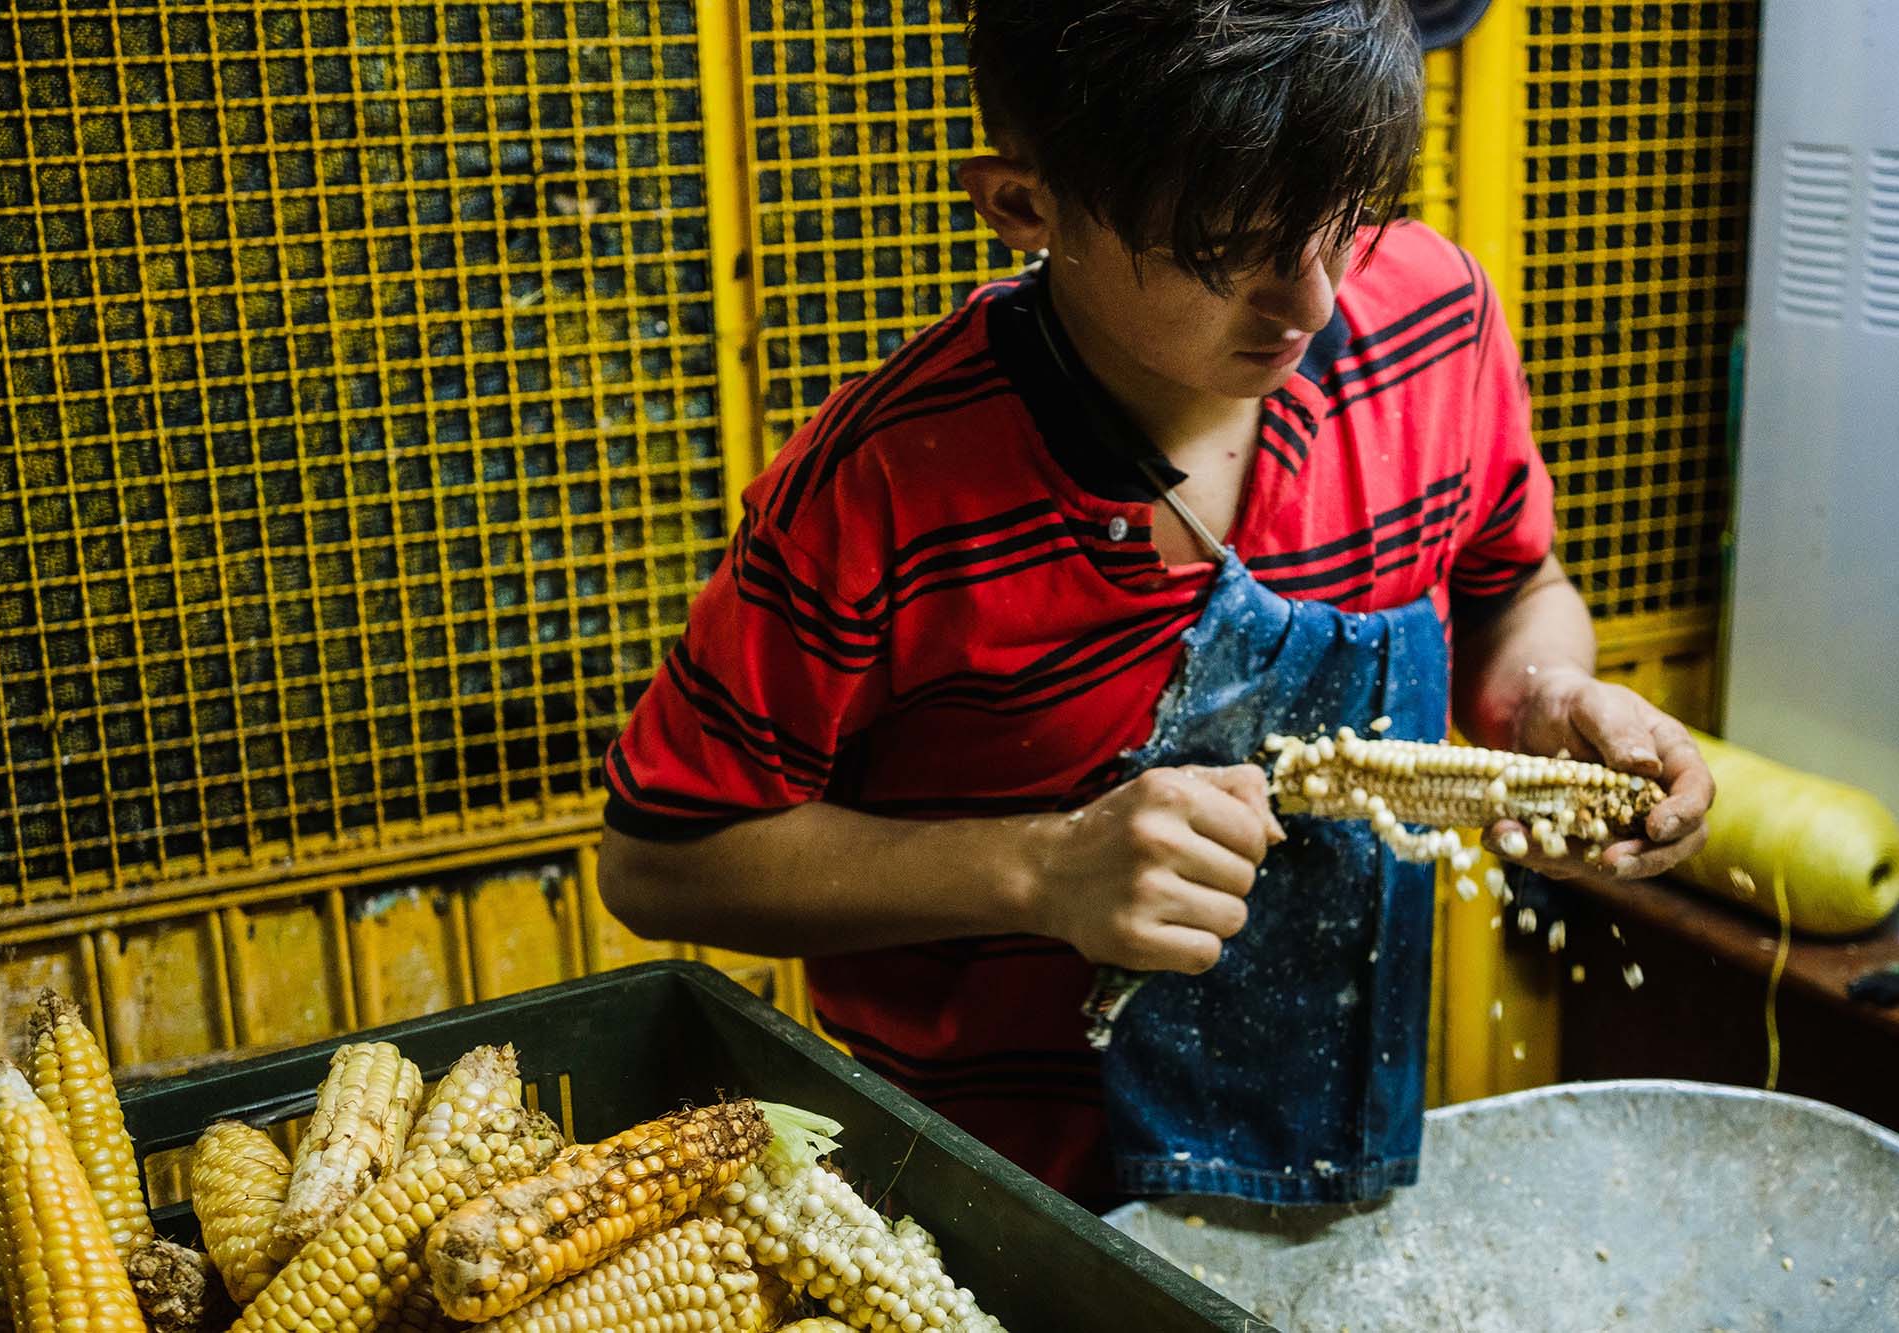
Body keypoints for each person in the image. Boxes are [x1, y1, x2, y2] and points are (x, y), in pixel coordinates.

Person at [597, 0, 1713, 1209]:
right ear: (1024, 206)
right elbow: (661, 861)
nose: (1311, 302)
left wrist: (1541, 700)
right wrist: (1038, 872)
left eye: (1346, 219)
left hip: (1338, 1154)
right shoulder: (883, 483)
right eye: (1224, 250)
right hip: (994, 1202)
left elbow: (1513, 590)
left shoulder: (1432, 319)